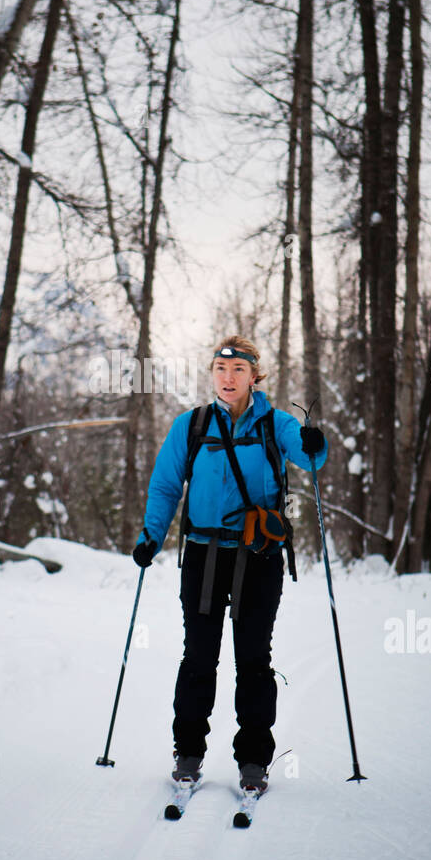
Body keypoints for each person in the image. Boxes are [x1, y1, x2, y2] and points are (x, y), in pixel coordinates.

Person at [132, 335, 327, 801]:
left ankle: (254, 759)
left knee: (254, 660)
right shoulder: (191, 425)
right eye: (221, 369)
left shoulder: (276, 424)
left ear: (254, 377)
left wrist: (315, 443)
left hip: (258, 557)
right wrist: (151, 537)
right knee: (198, 656)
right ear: (212, 374)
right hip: (201, 555)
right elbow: (164, 487)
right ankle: (188, 753)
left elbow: (311, 458)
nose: (228, 377)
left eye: (238, 370)